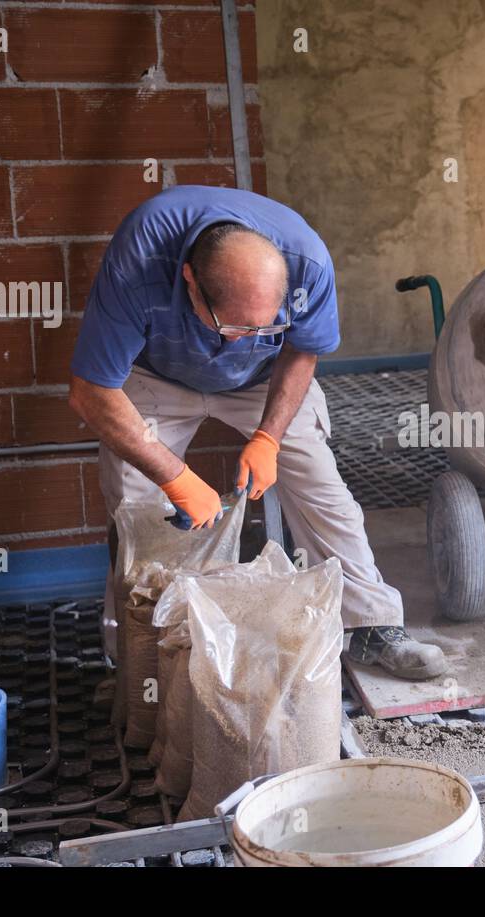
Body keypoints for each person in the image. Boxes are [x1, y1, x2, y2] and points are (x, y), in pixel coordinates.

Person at [68, 185, 447, 681]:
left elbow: (302, 350)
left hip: (264, 378)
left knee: (322, 489)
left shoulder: (307, 262)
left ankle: (372, 624)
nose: (245, 337)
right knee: (138, 508)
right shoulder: (139, 259)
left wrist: (268, 437)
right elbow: (91, 391)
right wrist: (175, 477)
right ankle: (143, 654)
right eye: (236, 327)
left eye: (263, 325)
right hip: (156, 372)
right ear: (189, 281)